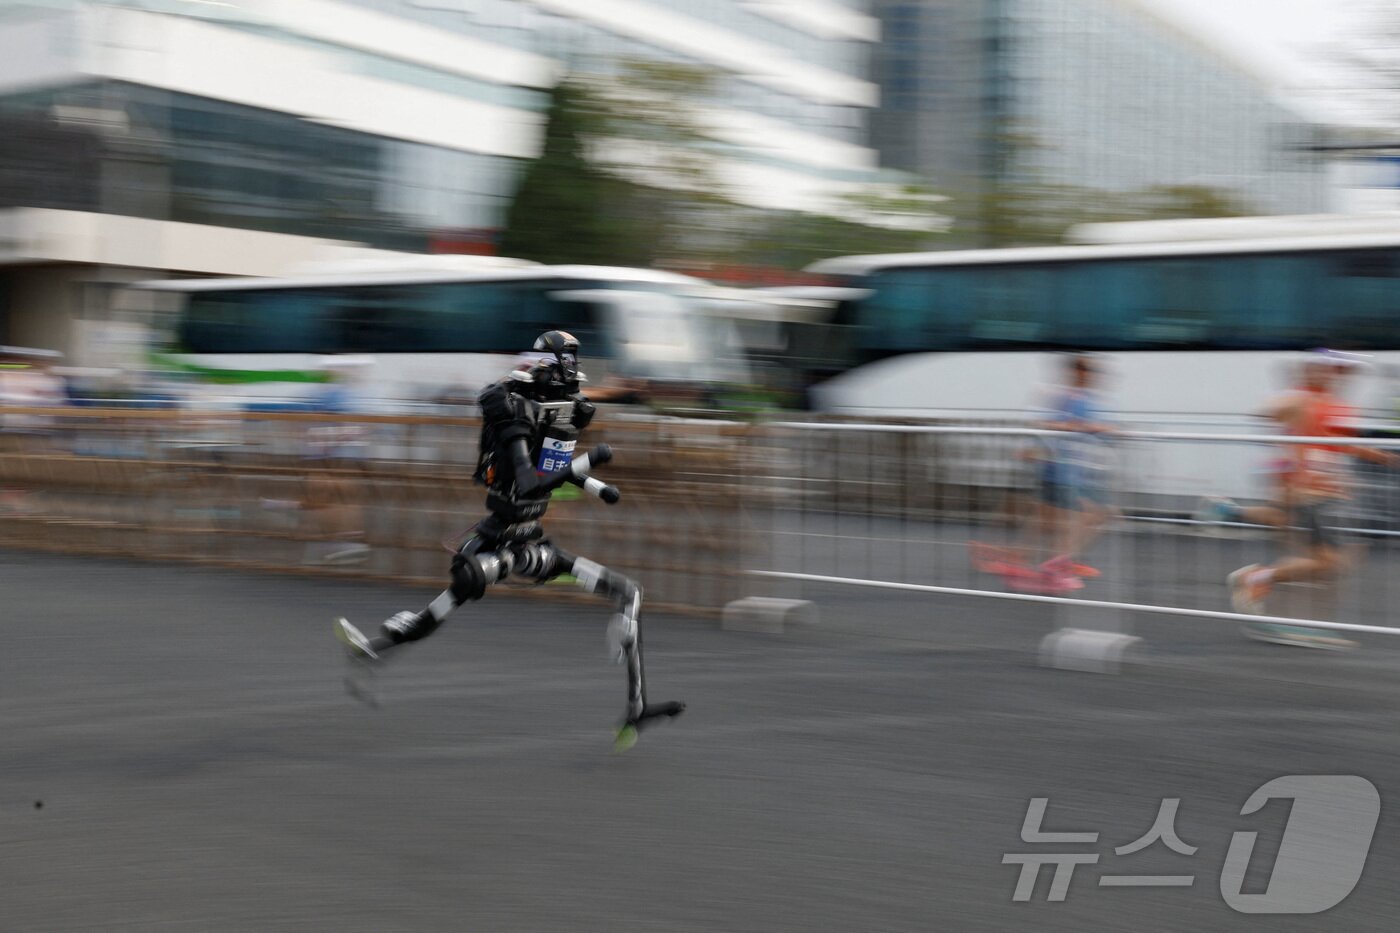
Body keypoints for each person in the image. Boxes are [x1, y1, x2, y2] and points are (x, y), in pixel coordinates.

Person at [335, 331, 684, 748]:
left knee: (630, 594)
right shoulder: (514, 414)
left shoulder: (558, 415)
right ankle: (376, 647)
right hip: (503, 546)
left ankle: (636, 707)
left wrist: (585, 478)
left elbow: (553, 479)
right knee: (461, 588)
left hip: (535, 544)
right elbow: (528, 482)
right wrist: (588, 463)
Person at [1226, 350, 1398, 648]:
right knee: (1331, 562)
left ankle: (1284, 604)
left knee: (1331, 562)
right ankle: (1266, 586)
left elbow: (1343, 445)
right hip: (1316, 496)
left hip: (1328, 494)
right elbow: (1267, 411)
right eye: (1336, 369)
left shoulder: (1336, 404)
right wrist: (1288, 428)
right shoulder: (1306, 399)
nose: (1342, 375)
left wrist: (1381, 456)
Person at [973, 354, 1116, 594]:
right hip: (1059, 469)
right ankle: (1054, 565)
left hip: (1073, 470)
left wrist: (1104, 429)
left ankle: (1019, 557)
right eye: (1088, 372)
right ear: (1077, 373)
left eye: (1093, 372)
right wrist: (1080, 428)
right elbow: (1049, 424)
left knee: (1048, 519)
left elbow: (1082, 426)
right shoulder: (1066, 398)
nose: (1093, 377)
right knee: (1082, 517)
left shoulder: (1083, 398)